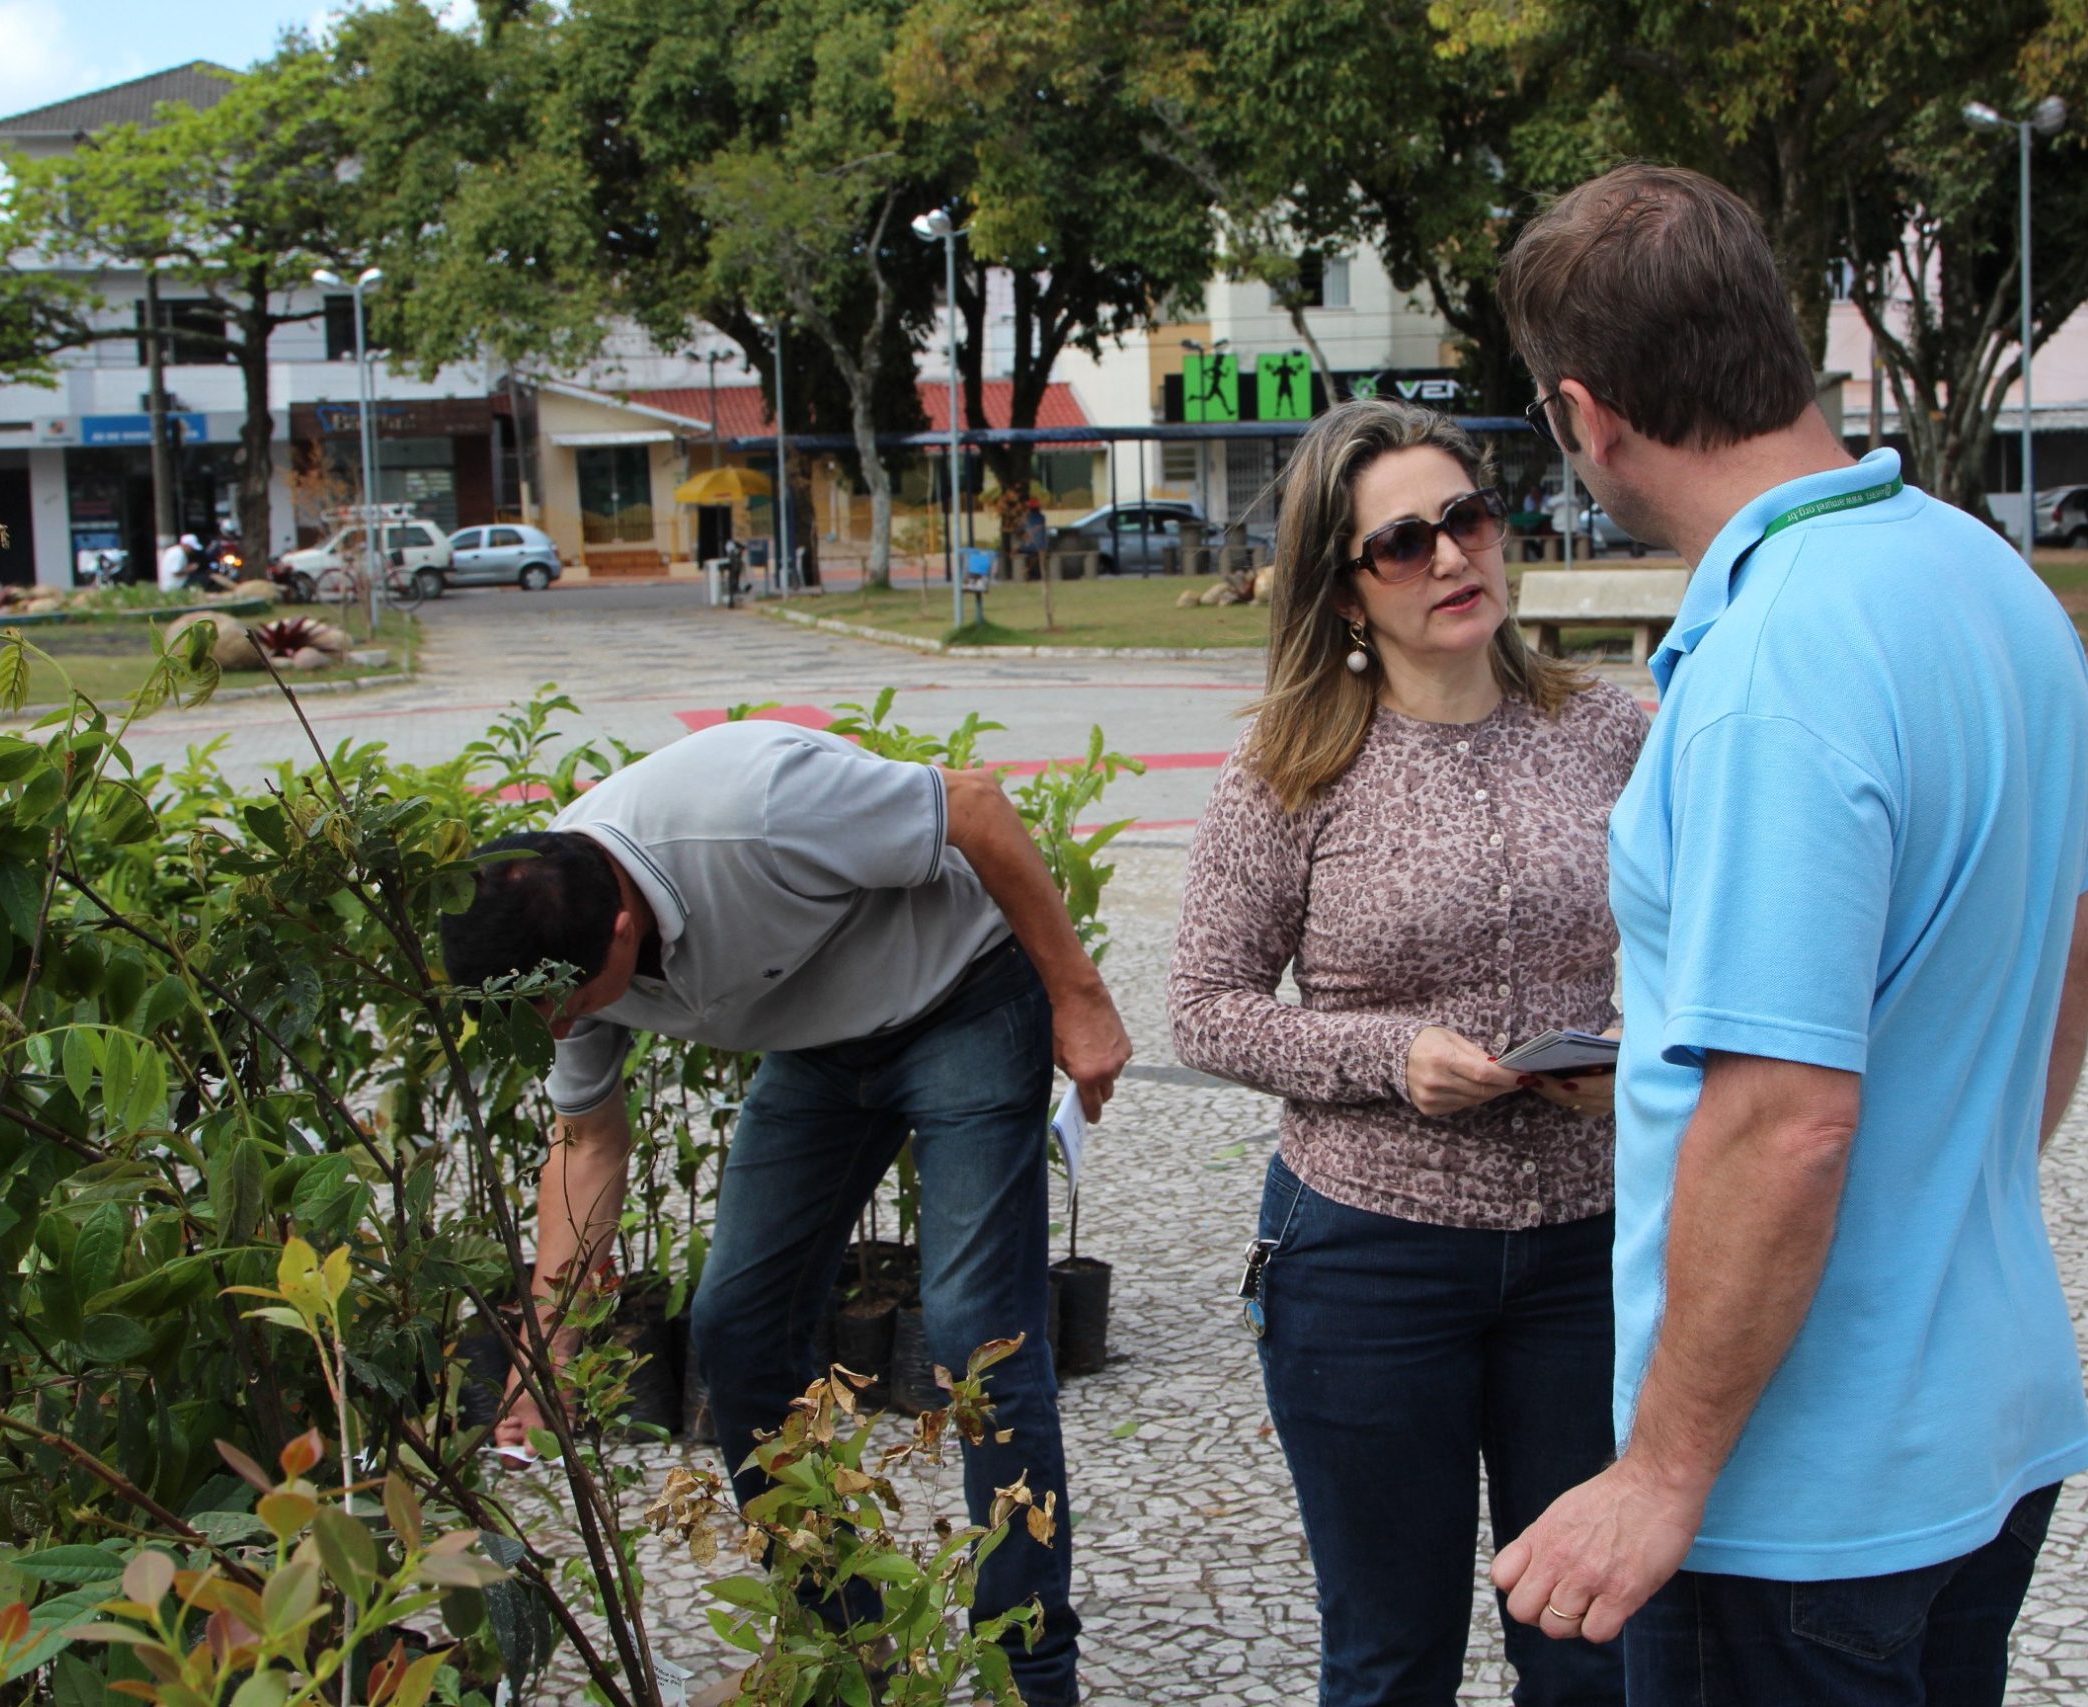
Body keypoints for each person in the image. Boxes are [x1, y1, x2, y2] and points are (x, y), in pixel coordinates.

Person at [1487, 163, 2088, 1706]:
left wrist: (1661, 1473)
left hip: (1803, 1499)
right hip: (1982, 1411)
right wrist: (1940, 1202)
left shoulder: (1775, 661)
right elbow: (2068, 949)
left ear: (1589, 413)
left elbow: (1789, 1120)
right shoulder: (1988, 577)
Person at [436, 720, 1132, 1707]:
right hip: (817, 1045)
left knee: (981, 1335)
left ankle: (1028, 1673)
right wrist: (544, 1340)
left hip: (963, 996)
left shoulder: (749, 811)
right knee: (736, 1328)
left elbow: (973, 805)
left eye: (569, 1002)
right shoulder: (550, 936)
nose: (557, 1026)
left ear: (623, 932)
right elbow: (586, 1143)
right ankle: (842, 1646)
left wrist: (1080, 996)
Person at [1168, 399, 1647, 1706]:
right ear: (1341, 587)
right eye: (1402, 542)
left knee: (1590, 1644)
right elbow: (1205, 1003)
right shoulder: (1289, 762)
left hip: (1591, 1250)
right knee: (1392, 1654)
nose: (1450, 556)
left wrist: (1634, 1059)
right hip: (1371, 1259)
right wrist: (1393, 1053)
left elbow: (1704, 952)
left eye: (1468, 517)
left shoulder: (1612, 732)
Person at [1017, 490, 1050, 582]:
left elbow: (1021, 529)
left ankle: (1026, 570)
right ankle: (1031, 571)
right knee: (1039, 554)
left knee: (1019, 551)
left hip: (1029, 546)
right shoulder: (1042, 517)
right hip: (1040, 546)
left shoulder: (1027, 517)